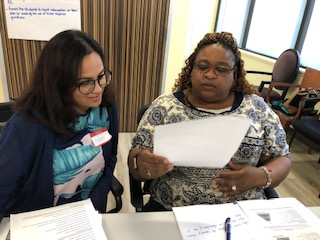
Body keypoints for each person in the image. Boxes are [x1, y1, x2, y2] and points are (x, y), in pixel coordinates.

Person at [128, 32, 291, 211]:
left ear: (234, 73)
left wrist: (260, 176)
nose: (210, 75)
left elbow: (282, 157)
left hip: (241, 211)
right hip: (172, 209)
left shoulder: (257, 109)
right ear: (192, 69)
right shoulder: (164, 107)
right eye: (202, 67)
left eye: (221, 69)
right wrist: (143, 167)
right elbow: (136, 161)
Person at [0, 30, 119, 221]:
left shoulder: (106, 107)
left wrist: (95, 202)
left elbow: (111, 157)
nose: (98, 89)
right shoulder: (25, 127)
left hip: (88, 216)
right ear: (59, 84)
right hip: (40, 223)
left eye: (101, 76)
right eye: (86, 82)